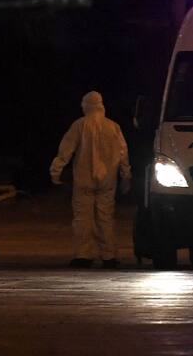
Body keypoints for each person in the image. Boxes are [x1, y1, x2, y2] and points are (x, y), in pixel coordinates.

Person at [50, 91, 131, 268]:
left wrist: (55, 171)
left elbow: (66, 150)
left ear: (86, 105)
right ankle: (109, 255)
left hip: (83, 180)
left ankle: (83, 255)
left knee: (82, 218)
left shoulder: (80, 125)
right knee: (106, 217)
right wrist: (126, 177)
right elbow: (123, 153)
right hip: (108, 180)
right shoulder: (113, 127)